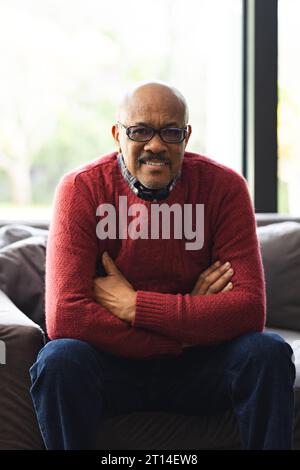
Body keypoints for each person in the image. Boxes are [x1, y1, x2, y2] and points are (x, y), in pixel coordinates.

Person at [30, 81, 295, 450]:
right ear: (117, 135)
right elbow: (66, 317)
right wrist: (186, 331)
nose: (156, 145)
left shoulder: (225, 188)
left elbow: (249, 309)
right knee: (59, 360)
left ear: (186, 136)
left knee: (268, 353)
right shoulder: (81, 189)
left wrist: (136, 306)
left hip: (200, 367)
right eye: (140, 131)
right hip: (115, 367)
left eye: (171, 132)